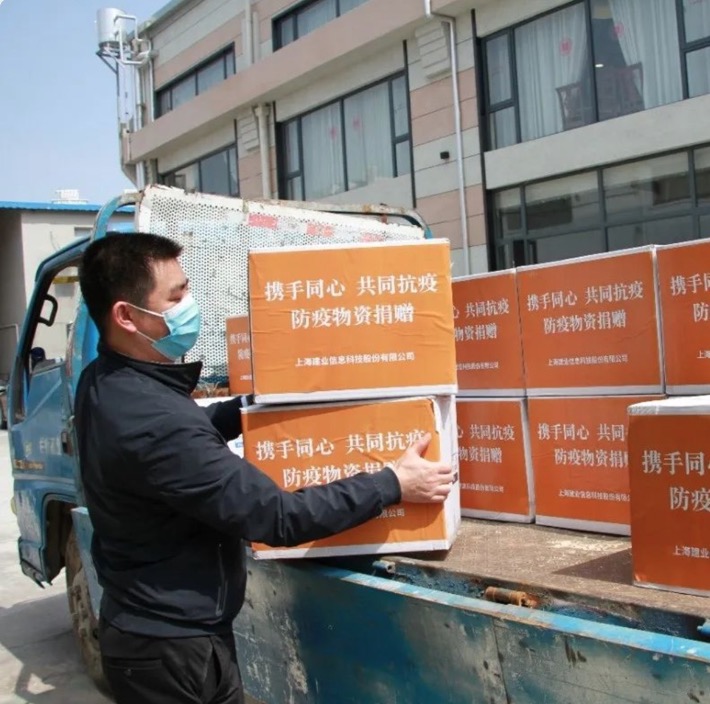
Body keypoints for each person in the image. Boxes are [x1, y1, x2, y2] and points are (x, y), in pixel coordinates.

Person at [75, 232, 454, 704]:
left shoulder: (107, 381)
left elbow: (186, 433)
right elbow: (278, 517)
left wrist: (260, 403)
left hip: (150, 628)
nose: (190, 306)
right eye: (175, 297)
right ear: (126, 316)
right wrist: (392, 483)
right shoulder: (156, 421)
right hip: (173, 652)